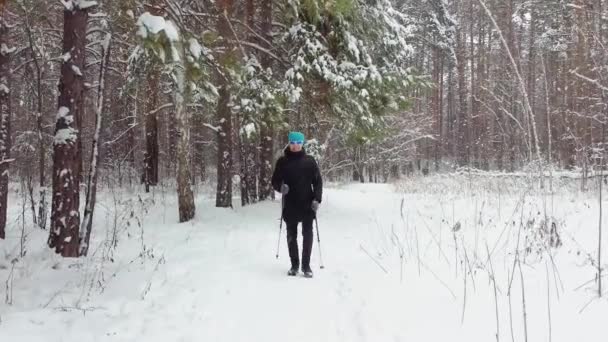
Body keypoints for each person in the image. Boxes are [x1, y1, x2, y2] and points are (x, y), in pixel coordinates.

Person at [271, 131, 323, 278]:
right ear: (289, 143)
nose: (295, 145)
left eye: (298, 143)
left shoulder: (310, 161)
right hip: (290, 205)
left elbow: (318, 182)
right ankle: (294, 265)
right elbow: (275, 180)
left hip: (307, 204)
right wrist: (280, 187)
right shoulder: (282, 161)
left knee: (307, 234)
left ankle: (306, 266)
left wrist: (317, 199)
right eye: (293, 142)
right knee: (291, 236)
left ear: (302, 143)